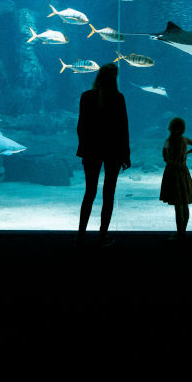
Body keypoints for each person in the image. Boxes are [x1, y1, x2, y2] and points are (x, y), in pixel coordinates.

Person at [75, 62, 130, 247]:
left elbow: (81, 126)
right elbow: (123, 128)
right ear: (114, 78)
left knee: (89, 192)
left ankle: (81, 235)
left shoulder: (86, 96)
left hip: (91, 150)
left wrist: (83, 148)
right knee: (109, 193)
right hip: (113, 151)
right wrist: (126, 153)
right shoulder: (118, 97)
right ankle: (102, 236)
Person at [159, 117, 192, 240]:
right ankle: (183, 231)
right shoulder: (185, 140)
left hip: (173, 173)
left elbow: (165, 157)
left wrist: (172, 159)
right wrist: (188, 152)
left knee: (178, 205)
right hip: (184, 171)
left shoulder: (168, 141)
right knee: (184, 202)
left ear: (171, 128)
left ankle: (179, 234)